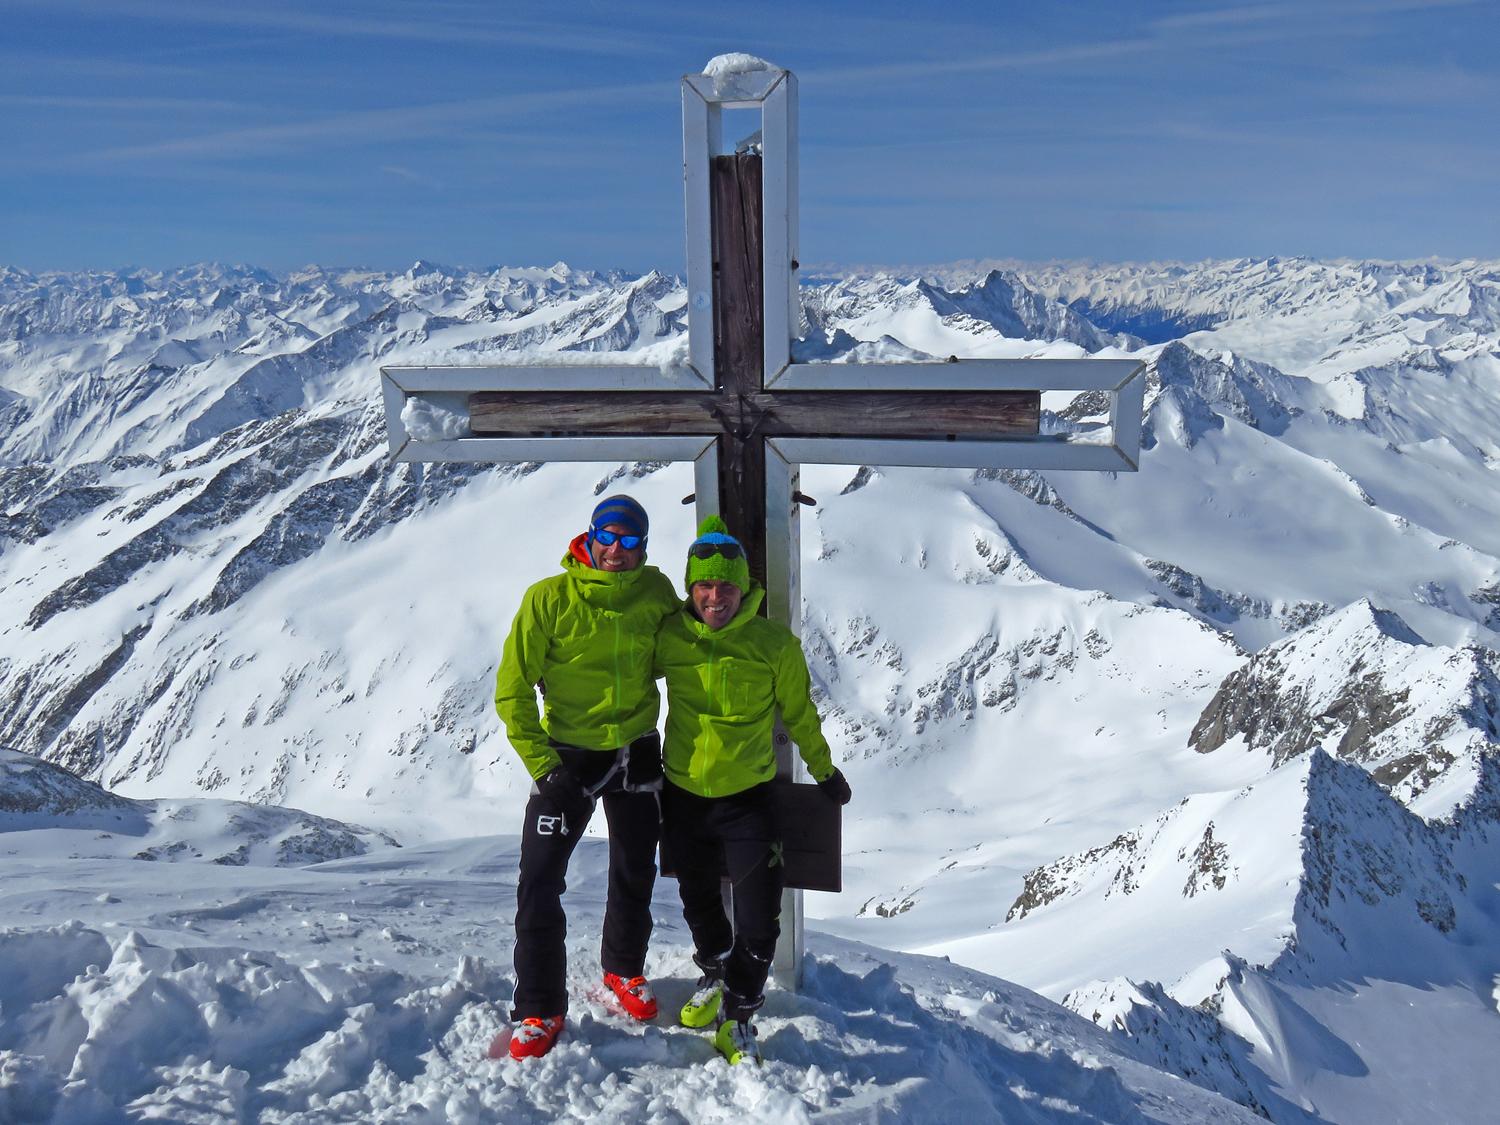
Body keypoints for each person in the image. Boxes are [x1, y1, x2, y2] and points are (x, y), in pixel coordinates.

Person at [654, 516, 853, 1065]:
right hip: (682, 796)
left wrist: (825, 771)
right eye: (704, 585)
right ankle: (715, 974)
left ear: (744, 588)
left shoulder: (774, 646)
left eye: (726, 585)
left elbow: (800, 713)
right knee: (699, 906)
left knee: (761, 921)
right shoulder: (670, 637)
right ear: (690, 588)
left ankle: (738, 1014)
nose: (715, 597)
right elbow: (618, 668)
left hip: (747, 802)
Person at [492, 494, 681, 1060]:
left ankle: (623, 969)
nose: (616, 550)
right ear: (589, 537)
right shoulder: (549, 598)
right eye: (608, 536)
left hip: (637, 749)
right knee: (539, 880)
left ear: (643, 548)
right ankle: (539, 1007)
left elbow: (683, 655)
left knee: (635, 868)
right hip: (567, 756)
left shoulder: (656, 594)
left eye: (630, 540)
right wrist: (542, 765)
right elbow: (512, 688)